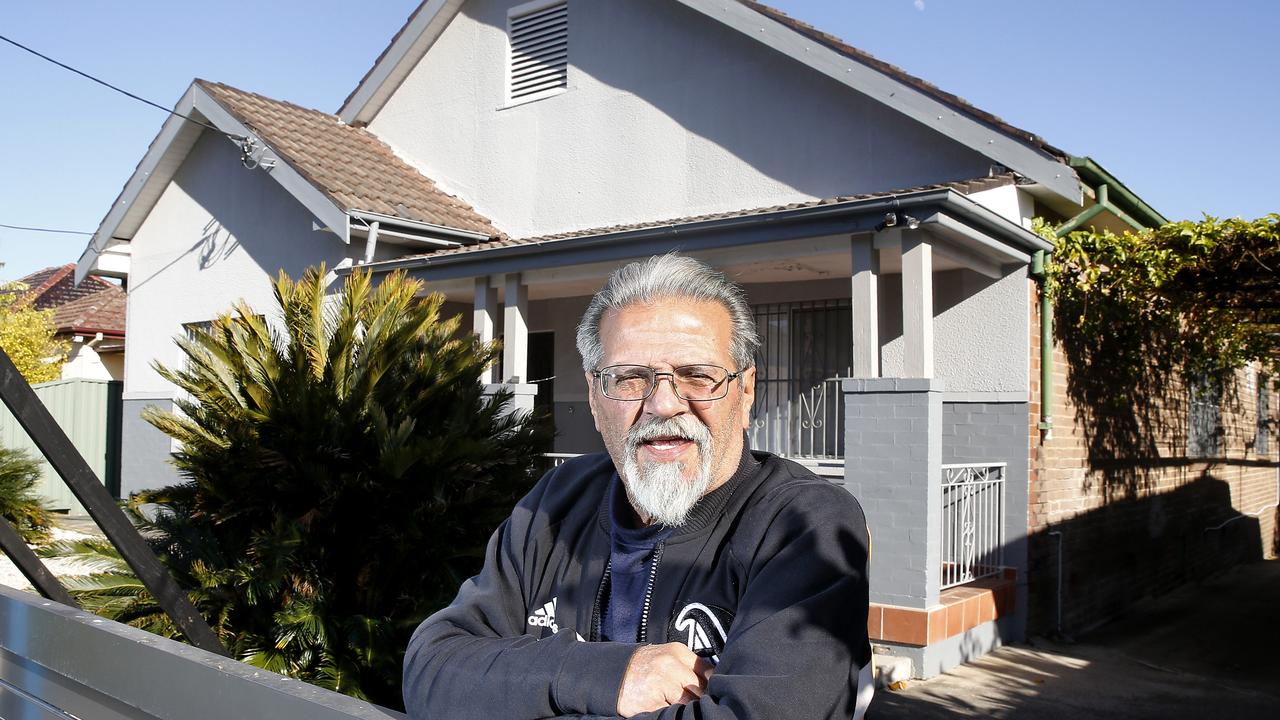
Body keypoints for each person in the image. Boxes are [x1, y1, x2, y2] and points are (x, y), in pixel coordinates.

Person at [403, 254, 873, 719]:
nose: (664, 404)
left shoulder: (802, 525)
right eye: (629, 378)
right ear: (593, 395)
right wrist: (610, 675)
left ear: (745, 390)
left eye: (697, 375)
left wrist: (516, 694)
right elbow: (432, 670)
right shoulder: (555, 503)